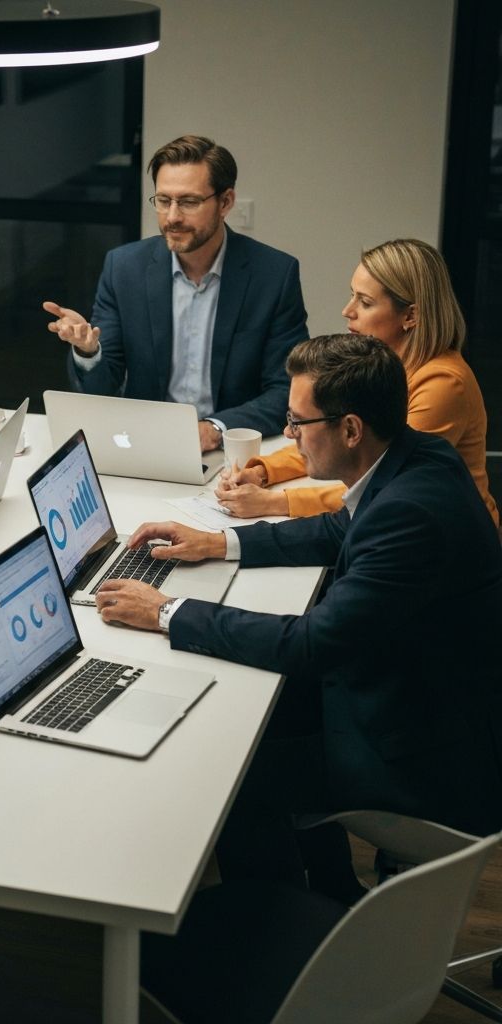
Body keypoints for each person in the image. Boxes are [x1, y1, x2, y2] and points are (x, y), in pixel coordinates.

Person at [95, 334, 502, 891]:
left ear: (351, 429)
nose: (289, 435)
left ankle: (279, 933)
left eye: (297, 422)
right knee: (250, 717)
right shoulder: (416, 456)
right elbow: (340, 529)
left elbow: (313, 644)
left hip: (422, 756)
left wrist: (168, 612)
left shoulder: (409, 513)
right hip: (420, 693)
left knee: (231, 775)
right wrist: (219, 542)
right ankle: (332, 892)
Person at [43, 134, 308, 452]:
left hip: (234, 452)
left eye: (188, 202)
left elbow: (287, 389)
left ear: (225, 202)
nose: (172, 217)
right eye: (164, 201)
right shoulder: (124, 268)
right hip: (146, 446)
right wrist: (88, 352)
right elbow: (103, 386)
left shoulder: (273, 275)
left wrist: (214, 429)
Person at [216, 238, 499, 526]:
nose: (347, 311)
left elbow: (381, 482)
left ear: (410, 315)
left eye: (364, 302)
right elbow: (329, 441)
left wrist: (275, 501)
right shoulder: (379, 366)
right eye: (353, 295)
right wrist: (262, 471)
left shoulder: (443, 383)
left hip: (452, 543)